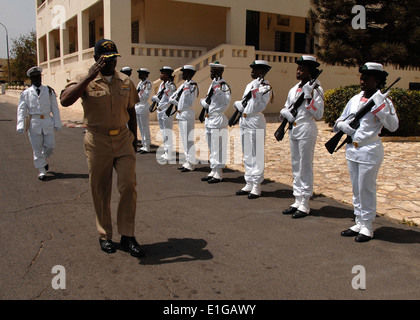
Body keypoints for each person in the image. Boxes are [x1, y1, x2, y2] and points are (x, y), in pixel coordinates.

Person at [60, 39, 144, 257]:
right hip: (97, 141)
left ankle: (127, 235)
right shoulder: (83, 79)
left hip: (123, 139)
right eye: (106, 59)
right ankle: (105, 235)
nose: (111, 62)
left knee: (128, 186)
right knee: (101, 189)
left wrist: (134, 140)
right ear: (97, 59)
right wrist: (89, 77)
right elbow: (66, 101)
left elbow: (132, 110)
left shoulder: (125, 81)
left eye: (114, 58)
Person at [335, 62, 399, 242]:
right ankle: (358, 221)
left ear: (377, 81)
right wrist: (342, 126)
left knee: (366, 188)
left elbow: (393, 126)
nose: (362, 81)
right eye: (361, 78)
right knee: (356, 188)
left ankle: (367, 226)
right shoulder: (355, 99)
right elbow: (340, 119)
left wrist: (380, 108)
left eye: (366, 79)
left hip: (369, 150)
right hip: (352, 150)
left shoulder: (384, 101)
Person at [280, 55, 324, 219]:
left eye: (302, 69)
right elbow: (287, 106)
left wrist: (309, 98)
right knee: (295, 164)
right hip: (293, 128)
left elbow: (318, 113)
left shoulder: (316, 89)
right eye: (298, 69)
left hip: (306, 128)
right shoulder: (294, 89)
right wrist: (285, 113)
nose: (298, 72)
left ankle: (305, 202)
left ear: (310, 72)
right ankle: (297, 199)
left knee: (305, 166)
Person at [234, 60, 273, 199]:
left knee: (257, 153)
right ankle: (249, 181)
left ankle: (257, 185)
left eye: (255, 69)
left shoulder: (266, 87)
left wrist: (256, 91)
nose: (252, 71)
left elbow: (260, 105)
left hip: (256, 120)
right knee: (247, 153)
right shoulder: (249, 84)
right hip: (245, 119)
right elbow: (247, 102)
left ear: (262, 72)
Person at [16, 66, 62, 181]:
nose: (38, 79)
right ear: (31, 79)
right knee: (36, 148)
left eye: (39, 77)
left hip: (47, 121)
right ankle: (42, 171)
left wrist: (57, 123)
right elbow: (21, 109)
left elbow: (55, 108)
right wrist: (20, 124)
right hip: (34, 122)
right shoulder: (26, 93)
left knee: (50, 146)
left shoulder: (49, 91)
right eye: (35, 77)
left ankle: (42, 160)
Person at [200, 61, 231, 183]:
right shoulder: (212, 84)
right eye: (211, 71)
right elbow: (209, 101)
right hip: (209, 119)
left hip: (218, 119)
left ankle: (218, 172)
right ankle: (213, 169)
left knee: (218, 146)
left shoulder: (224, 86)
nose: (211, 73)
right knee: (211, 146)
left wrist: (218, 91)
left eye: (214, 71)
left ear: (220, 72)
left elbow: (226, 102)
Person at [169, 65, 199, 172]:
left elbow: (190, 101)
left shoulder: (193, 86)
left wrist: (177, 102)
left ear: (190, 74)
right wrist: (174, 101)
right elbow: (174, 96)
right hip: (181, 114)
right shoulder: (183, 85)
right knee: (183, 139)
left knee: (188, 139)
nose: (183, 74)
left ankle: (191, 163)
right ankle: (187, 161)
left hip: (187, 113)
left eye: (185, 72)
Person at [151, 66, 176, 161]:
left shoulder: (171, 85)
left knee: (167, 132)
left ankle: (169, 153)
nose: (160, 75)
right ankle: (166, 152)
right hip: (160, 110)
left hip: (167, 110)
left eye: (163, 73)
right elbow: (160, 96)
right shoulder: (162, 84)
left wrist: (167, 89)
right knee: (163, 132)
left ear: (167, 75)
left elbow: (171, 97)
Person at [135, 68, 152, 153]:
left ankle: (147, 146)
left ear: (145, 74)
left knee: (145, 127)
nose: (139, 75)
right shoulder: (140, 83)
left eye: (140, 73)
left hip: (143, 105)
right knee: (141, 127)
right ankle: (143, 145)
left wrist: (139, 95)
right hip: (138, 106)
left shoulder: (148, 84)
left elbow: (146, 96)